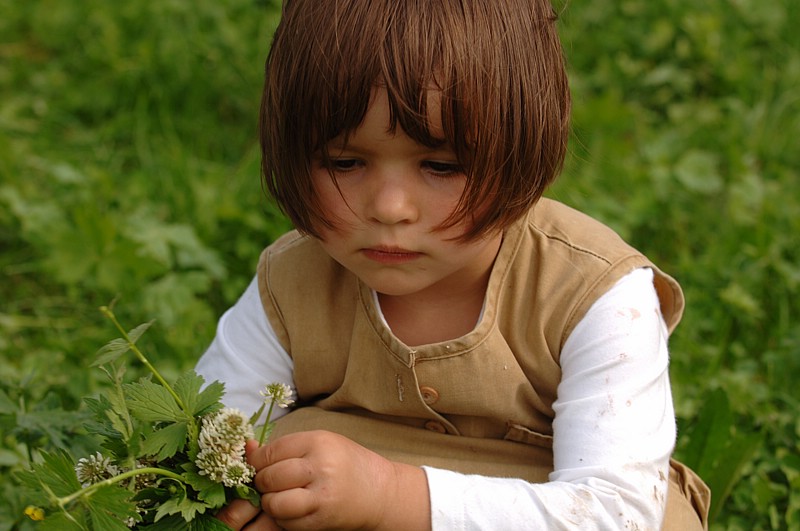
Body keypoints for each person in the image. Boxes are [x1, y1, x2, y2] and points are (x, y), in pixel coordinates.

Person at [195, 0, 711, 529]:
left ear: (522, 153)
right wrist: (243, 511)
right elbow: (210, 438)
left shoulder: (592, 292)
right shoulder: (292, 282)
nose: (390, 207)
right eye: (345, 163)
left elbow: (616, 512)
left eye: (441, 166)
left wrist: (391, 497)